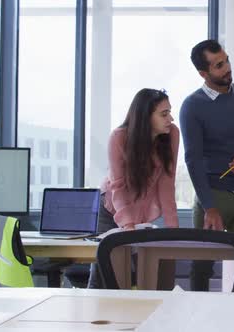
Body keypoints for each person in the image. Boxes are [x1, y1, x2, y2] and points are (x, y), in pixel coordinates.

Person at [180, 39, 234, 291]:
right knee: (202, 268)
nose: (227, 67)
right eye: (219, 65)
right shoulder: (192, 106)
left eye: (226, 60)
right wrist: (210, 207)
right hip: (213, 197)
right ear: (203, 73)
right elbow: (192, 159)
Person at [87, 88, 179, 288]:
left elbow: (167, 184)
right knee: (105, 274)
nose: (170, 118)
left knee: (145, 272)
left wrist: (174, 232)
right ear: (145, 117)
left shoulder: (172, 134)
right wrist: (128, 227)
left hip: (140, 213)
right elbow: (118, 186)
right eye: (164, 114)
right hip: (111, 209)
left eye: (170, 112)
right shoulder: (119, 137)